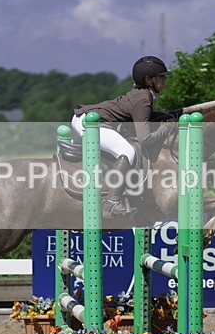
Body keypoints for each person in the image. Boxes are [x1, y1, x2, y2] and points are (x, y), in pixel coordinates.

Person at [72, 55, 173, 217]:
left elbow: (143, 119)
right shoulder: (143, 98)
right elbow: (145, 139)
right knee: (127, 152)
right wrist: (167, 128)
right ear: (149, 80)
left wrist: (166, 116)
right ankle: (111, 203)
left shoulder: (142, 94)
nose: (164, 80)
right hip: (90, 122)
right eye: (161, 76)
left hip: (91, 119)